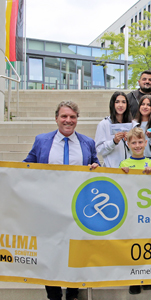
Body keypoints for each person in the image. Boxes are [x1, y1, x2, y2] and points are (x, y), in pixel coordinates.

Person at [23, 101, 99, 300]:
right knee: (51, 251)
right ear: (56, 118)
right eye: (64, 116)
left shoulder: (87, 142)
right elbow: (26, 166)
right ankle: (54, 294)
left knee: (75, 250)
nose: (68, 120)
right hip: (49, 206)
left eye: (72, 117)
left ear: (77, 120)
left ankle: (72, 292)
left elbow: (96, 165)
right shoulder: (42, 141)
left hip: (77, 207)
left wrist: (95, 166)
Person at [95, 91, 133, 168]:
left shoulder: (133, 124)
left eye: (123, 102)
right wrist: (113, 142)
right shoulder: (104, 124)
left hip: (130, 169)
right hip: (112, 170)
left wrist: (130, 141)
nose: (120, 105)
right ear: (113, 104)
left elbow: (139, 148)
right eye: (117, 102)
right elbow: (98, 150)